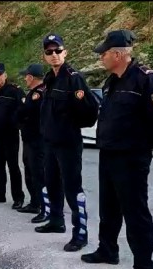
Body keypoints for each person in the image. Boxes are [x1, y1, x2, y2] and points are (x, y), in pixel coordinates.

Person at [81, 29, 153, 269]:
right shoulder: (112, 82)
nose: (101, 57)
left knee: (136, 214)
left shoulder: (146, 80)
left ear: (118, 54)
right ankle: (108, 250)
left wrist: (142, 148)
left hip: (131, 159)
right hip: (109, 154)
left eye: (103, 53)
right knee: (109, 209)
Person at [35, 33, 99, 255]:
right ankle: (56, 221)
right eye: (49, 52)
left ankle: (80, 234)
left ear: (65, 52)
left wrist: (70, 125)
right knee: (52, 184)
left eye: (57, 51)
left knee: (72, 189)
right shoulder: (49, 79)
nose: (54, 55)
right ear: (44, 56)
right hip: (50, 143)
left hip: (68, 143)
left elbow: (90, 113)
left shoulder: (74, 78)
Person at [0, 63, 25, 208]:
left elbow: (23, 111)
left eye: (0, 74)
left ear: (5, 75)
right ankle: (0, 194)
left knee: (13, 167)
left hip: (10, 136)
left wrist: (14, 123)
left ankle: (18, 197)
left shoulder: (14, 91)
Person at [16, 64, 48, 223]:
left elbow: (27, 114)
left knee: (39, 174)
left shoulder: (40, 93)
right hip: (29, 139)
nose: (24, 78)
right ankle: (34, 203)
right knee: (29, 172)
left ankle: (44, 207)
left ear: (31, 77)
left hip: (37, 140)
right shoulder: (33, 93)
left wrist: (21, 114)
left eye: (26, 76)